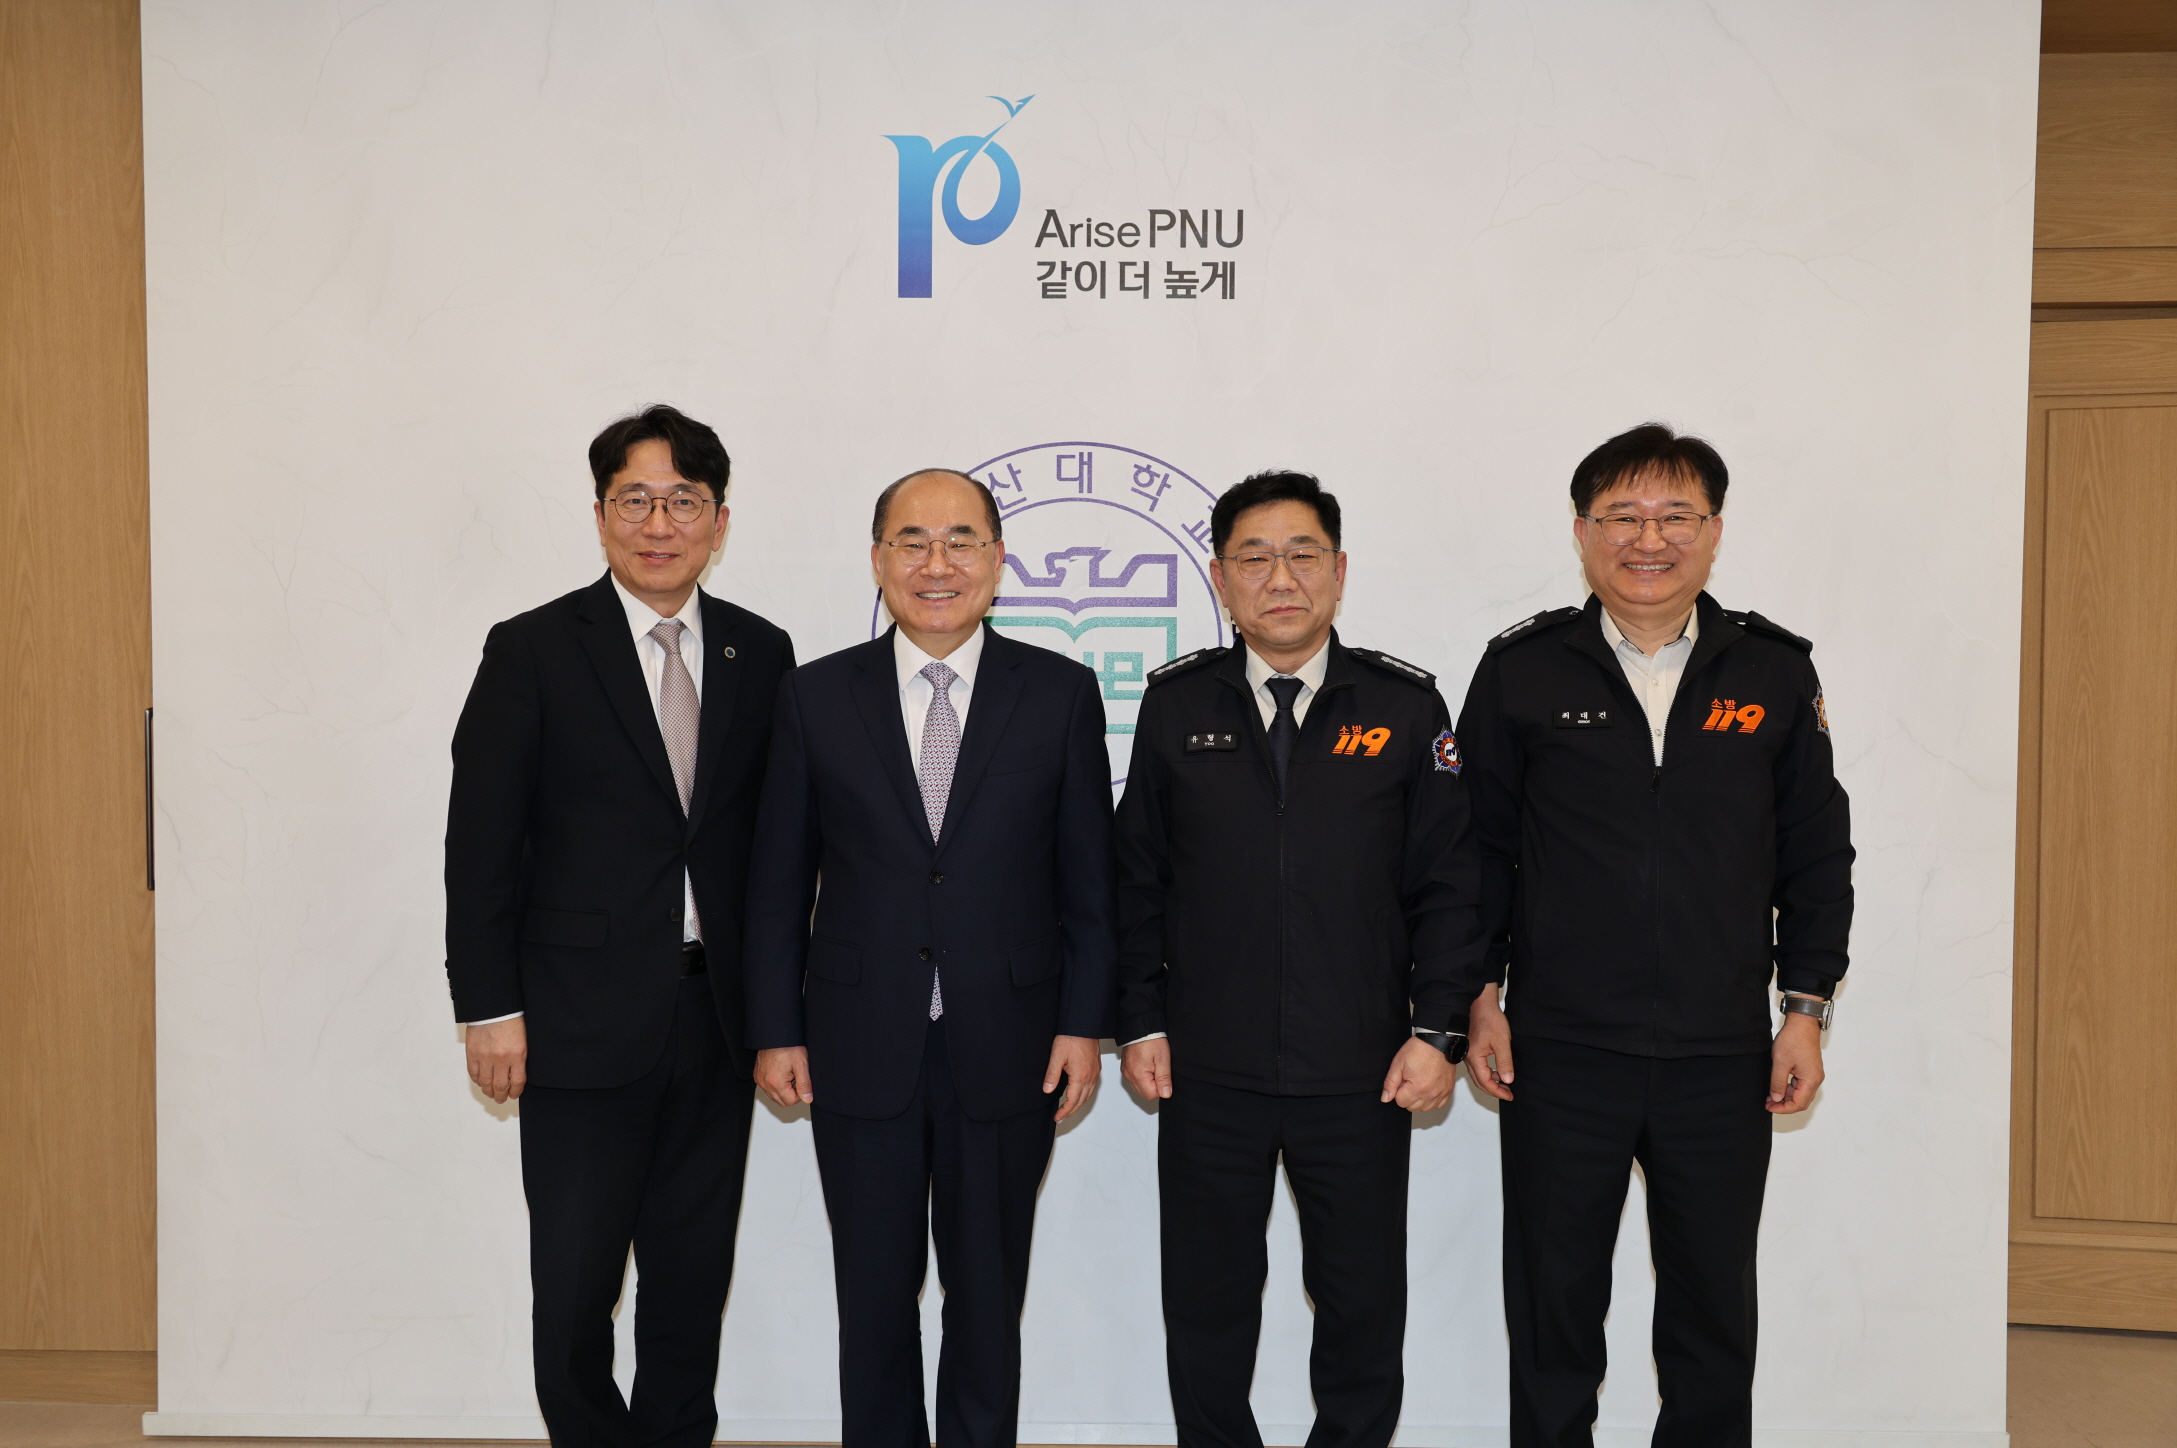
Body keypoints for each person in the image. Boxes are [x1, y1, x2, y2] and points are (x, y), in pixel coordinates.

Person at [1456, 423, 1853, 1447]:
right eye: (1621, 516)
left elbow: (1815, 853)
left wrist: (1803, 1010)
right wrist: (1477, 997)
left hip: (1719, 1052)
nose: (1648, 539)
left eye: (1675, 516)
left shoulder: (1771, 670)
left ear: (1713, 531)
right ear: (1581, 532)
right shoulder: (1521, 668)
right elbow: (1476, 854)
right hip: (1559, 1048)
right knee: (1551, 1304)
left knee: (1711, 1311)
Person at [741, 469, 1117, 1448]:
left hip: (1012, 1042)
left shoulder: (1059, 693)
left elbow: (1090, 882)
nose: (935, 563)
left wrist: (1083, 1023)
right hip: (856, 1041)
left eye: (960, 541)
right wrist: (775, 1028)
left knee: (987, 1295)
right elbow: (777, 883)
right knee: (872, 1294)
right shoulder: (815, 695)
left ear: (997, 560)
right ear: (877, 561)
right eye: (911, 541)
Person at [443, 404, 796, 1448]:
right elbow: (480, 847)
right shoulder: (533, 649)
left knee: (691, 1279)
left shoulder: (761, 651)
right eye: (634, 499)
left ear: (719, 520)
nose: (658, 523)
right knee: (576, 1283)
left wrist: (781, 1014)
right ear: (599, 514)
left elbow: (778, 852)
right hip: (572, 1022)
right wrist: (488, 1008)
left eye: (683, 500)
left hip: (715, 1021)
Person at [1113, 470, 1486, 1448]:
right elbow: (1135, 880)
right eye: (1253, 557)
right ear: (1219, 578)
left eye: (1301, 555)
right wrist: (1139, 1020)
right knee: (1206, 1304)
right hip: (1207, 1067)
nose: (1279, 578)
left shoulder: (1404, 706)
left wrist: (1436, 1031)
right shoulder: (1175, 704)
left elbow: (1450, 885)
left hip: (1361, 1069)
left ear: (1339, 570)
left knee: (1360, 1303)